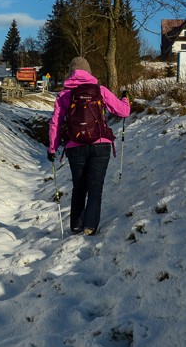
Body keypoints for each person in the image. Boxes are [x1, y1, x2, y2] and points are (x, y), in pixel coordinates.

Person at [47, 57, 130, 236]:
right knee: (95, 187)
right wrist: (125, 98)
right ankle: (90, 227)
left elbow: (55, 123)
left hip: (74, 146)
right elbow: (123, 111)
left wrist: (52, 149)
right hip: (100, 145)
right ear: (89, 72)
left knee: (79, 187)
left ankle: (76, 225)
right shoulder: (100, 90)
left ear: (70, 73)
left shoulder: (64, 95)